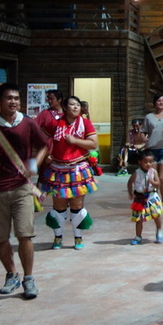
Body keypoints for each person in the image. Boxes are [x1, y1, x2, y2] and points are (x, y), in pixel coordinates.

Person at [0, 83, 48, 299]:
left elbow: (44, 145)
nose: (13, 101)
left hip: (22, 188)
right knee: (1, 238)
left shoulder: (28, 124)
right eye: (8, 98)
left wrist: (33, 165)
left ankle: (29, 278)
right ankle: (11, 274)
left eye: (16, 98)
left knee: (25, 235)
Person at [39, 95, 99, 250]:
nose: (75, 107)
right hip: (58, 169)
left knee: (77, 206)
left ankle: (78, 238)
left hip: (78, 168)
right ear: (65, 107)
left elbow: (93, 144)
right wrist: (46, 155)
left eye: (77, 105)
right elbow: (42, 140)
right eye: (72, 104)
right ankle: (58, 237)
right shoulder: (55, 123)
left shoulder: (85, 123)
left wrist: (75, 141)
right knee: (58, 206)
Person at [127, 149, 163, 244]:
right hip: (139, 197)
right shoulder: (136, 173)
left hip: (152, 196)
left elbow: (158, 184)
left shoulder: (153, 172)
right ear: (140, 162)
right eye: (145, 162)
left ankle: (159, 231)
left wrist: (152, 182)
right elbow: (130, 182)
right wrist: (130, 193)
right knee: (139, 218)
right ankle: (138, 236)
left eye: (151, 162)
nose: (148, 164)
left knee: (157, 214)